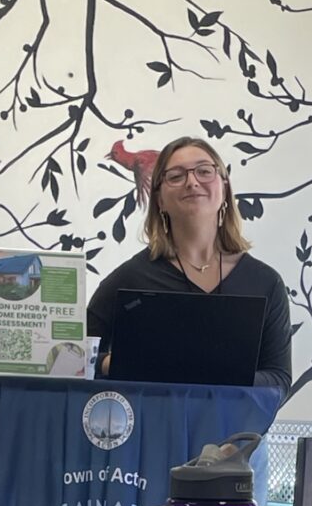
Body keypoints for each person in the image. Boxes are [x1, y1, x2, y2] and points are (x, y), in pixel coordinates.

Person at [87, 136, 292, 402]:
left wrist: (213, 372)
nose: (192, 182)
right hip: (150, 427)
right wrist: (122, 363)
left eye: (204, 171)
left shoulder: (265, 282)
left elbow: (279, 381)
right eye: (176, 176)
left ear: (224, 189)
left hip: (234, 430)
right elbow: (74, 356)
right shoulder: (129, 278)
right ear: (159, 199)